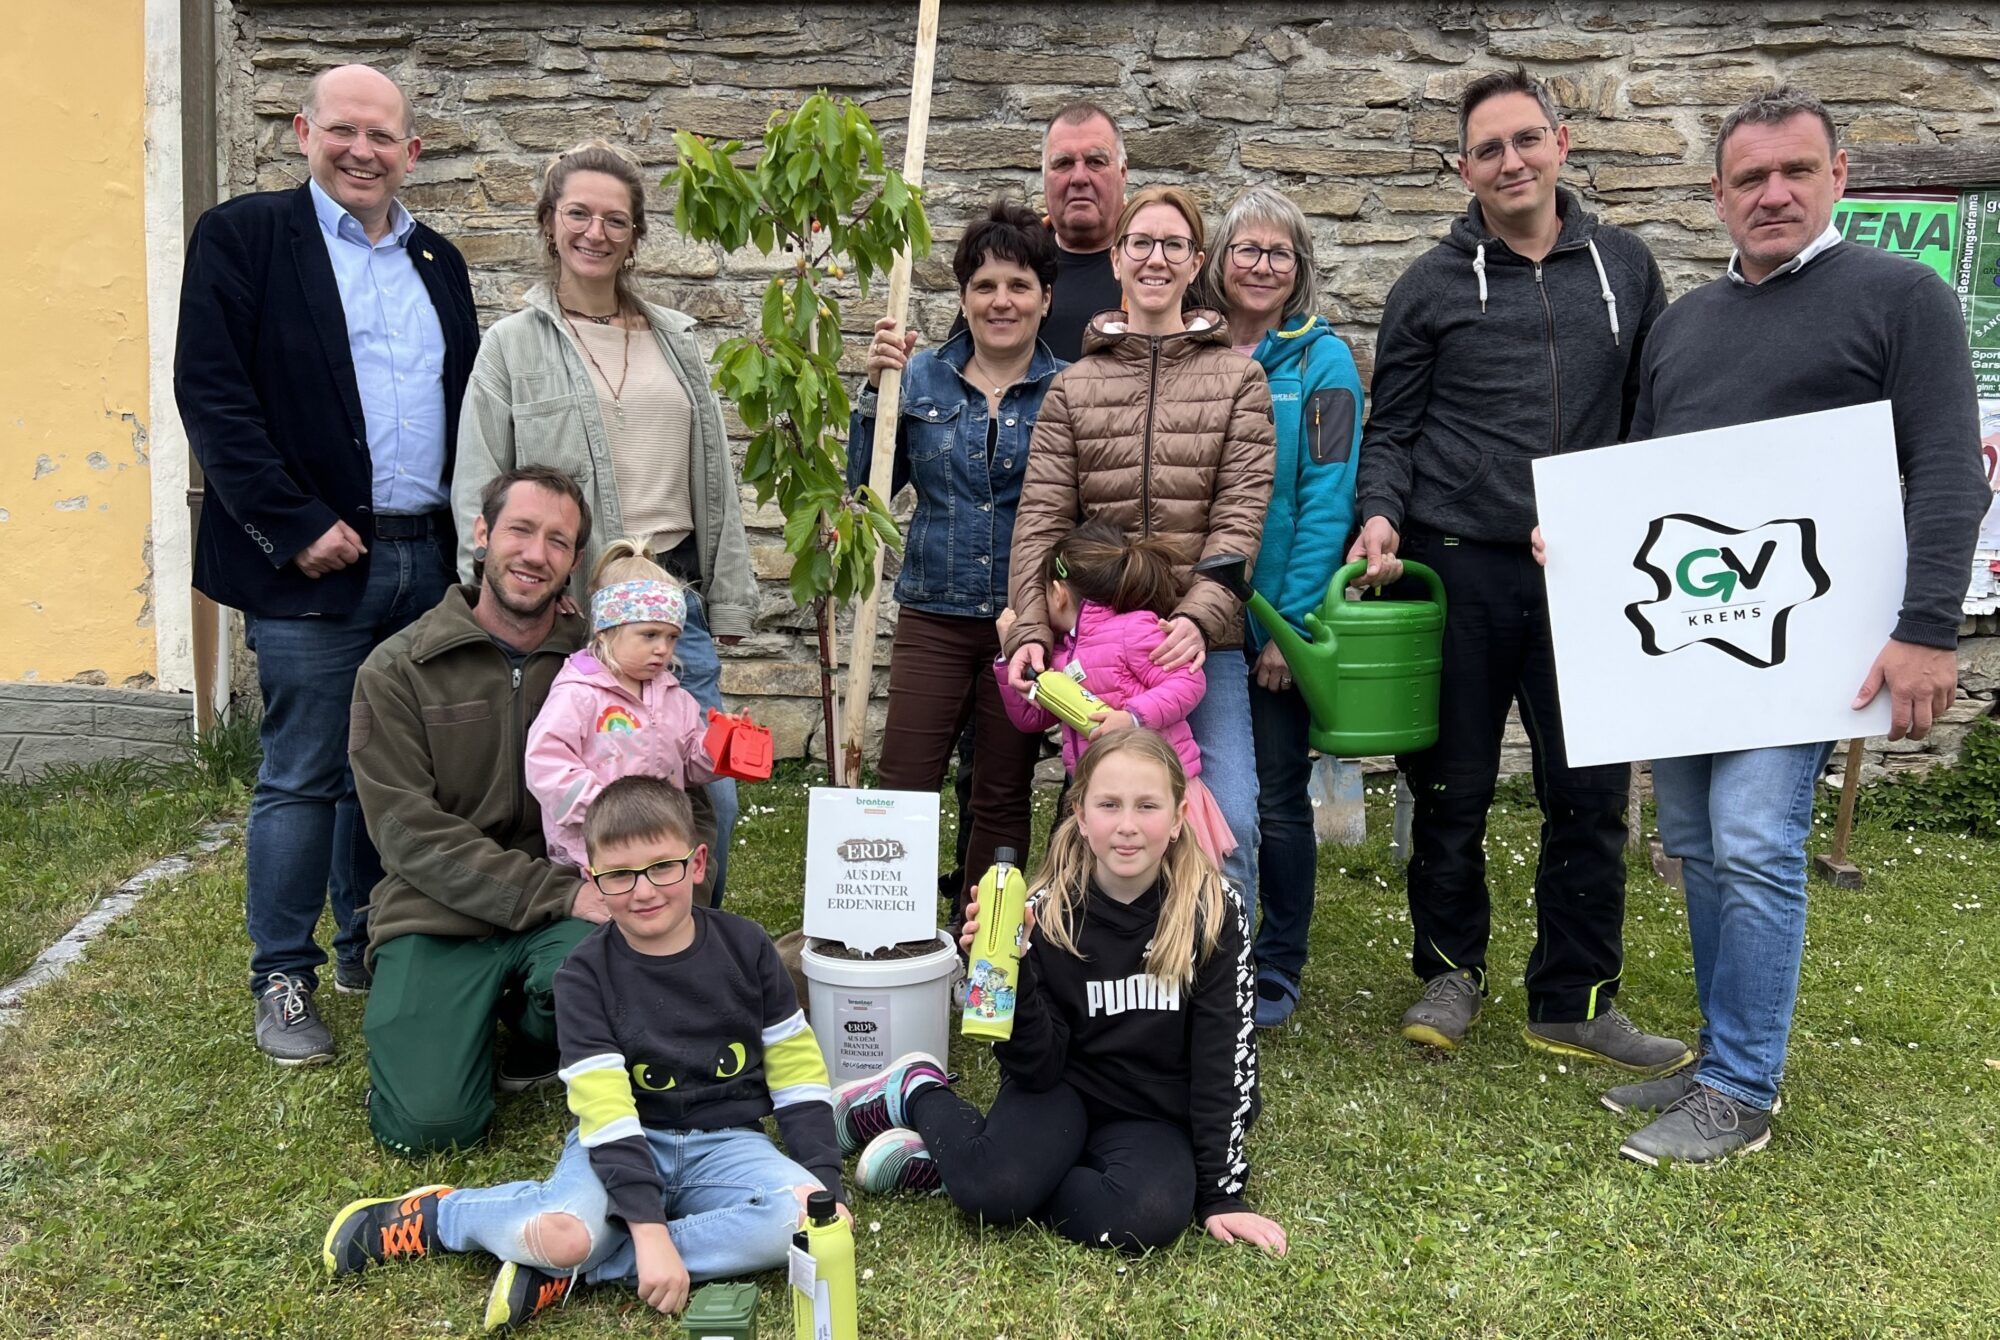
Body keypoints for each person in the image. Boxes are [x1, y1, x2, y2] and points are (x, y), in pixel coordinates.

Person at [1559, 86, 1987, 1165]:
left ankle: (1742, 1088)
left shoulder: (1901, 297)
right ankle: (1716, 1057)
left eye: (1795, 170)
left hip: (1809, 647)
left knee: (1752, 840)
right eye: (1748, 178)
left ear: (1837, 176)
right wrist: (1578, 542)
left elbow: (1945, 466)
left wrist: (1925, 627)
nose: (1773, 193)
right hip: (1692, 642)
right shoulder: (1685, 325)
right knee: (1696, 842)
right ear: (1715, 196)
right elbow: (1644, 481)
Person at [1349, 67, 1684, 1070]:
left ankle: (1572, 997)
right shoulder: (1425, 286)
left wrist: (1628, 519)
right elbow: (1391, 429)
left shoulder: (1625, 269)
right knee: (1446, 786)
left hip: (1585, 569)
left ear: (1560, 143)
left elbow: (1652, 410)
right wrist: (1377, 514)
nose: (1509, 161)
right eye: (1487, 148)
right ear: (1463, 168)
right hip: (1457, 568)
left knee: (1587, 791)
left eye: (1523, 139)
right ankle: (1449, 971)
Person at [174, 64, 480, 1065]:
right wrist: (295, 522)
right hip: (312, 566)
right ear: (304, 132)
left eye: (381, 136)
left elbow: (468, 405)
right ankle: (283, 975)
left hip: (423, 560)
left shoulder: (438, 259)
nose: (361, 151)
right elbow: (214, 398)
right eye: (341, 130)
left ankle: (368, 944)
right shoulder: (246, 240)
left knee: (392, 769)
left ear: (412, 151)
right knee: (304, 772)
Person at [323, 777, 846, 1331]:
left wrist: (824, 1183)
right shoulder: (583, 974)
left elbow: (798, 1077)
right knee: (566, 1234)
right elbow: (608, 1113)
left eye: (661, 867)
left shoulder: (749, 947)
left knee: (807, 1220)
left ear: (697, 863)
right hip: (618, 1141)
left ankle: (585, 1269)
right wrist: (647, 1228)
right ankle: (440, 1216)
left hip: (729, 1144)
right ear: (592, 877)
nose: (643, 891)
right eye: (619, 875)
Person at [829, 728, 1282, 1257]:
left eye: (1148, 805)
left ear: (1180, 816)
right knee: (992, 1193)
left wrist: (1221, 1194)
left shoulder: (1215, 910)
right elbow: (1035, 1066)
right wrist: (1009, 975)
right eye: (1109, 805)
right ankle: (918, 1090)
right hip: (1061, 1088)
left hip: (1153, 1114)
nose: (1128, 826)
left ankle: (957, 1163)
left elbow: (1223, 1060)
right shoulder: (1042, 911)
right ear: (1081, 816)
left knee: (1145, 1218)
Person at [453, 140, 753, 904]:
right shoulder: (511, 349)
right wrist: (494, 594)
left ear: (635, 234)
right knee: (577, 790)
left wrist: (727, 597)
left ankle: (696, 948)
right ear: (549, 223)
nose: (596, 231)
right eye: (578, 213)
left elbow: (712, 479)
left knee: (705, 793)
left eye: (615, 219)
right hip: (572, 604)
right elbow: (479, 484)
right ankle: (589, 942)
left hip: (666, 603)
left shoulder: (675, 342)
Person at [1004, 185, 1276, 914]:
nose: (1156, 258)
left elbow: (1240, 514)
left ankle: (1223, 996)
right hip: (1096, 643)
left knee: (1230, 822)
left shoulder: (1240, 380)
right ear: (1118, 261)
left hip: (1191, 644)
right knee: (1099, 823)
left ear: (1197, 264)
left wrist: (1198, 617)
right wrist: (1032, 625)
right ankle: (1105, 983)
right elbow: (1041, 518)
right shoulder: (1073, 388)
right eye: (1142, 244)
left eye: (1173, 245)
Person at [350, 467, 598, 1155]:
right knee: (431, 1128)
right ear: (482, 535)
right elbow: (406, 834)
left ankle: (534, 1026)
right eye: (520, 530)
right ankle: (443, 1029)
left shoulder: (598, 663)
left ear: (573, 562)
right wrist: (560, 894)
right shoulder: (397, 670)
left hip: (565, 916)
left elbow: (667, 778)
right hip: (439, 912)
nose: (535, 554)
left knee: (606, 976)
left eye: (558, 540)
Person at [848, 202, 1062, 919]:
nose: (1001, 301)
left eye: (1019, 285)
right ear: (963, 297)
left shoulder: (1071, 391)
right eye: (985, 285)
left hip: (1022, 626)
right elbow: (864, 488)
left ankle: (986, 960)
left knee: (1001, 794)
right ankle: (892, 943)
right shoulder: (918, 380)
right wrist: (872, 397)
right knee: (904, 784)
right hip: (933, 618)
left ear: (1045, 298)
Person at [1198, 185, 1364, 1028]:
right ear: (1219, 260)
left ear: (1299, 269)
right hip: (1198, 612)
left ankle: (1278, 962)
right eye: (1247, 250)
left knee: (1273, 798)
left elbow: (1329, 496)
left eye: (1280, 253)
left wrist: (1290, 625)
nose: (1262, 266)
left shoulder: (1322, 364)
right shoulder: (1192, 348)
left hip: (1274, 623)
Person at [994, 519, 1237, 866]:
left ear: (1058, 593)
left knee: (1176, 888)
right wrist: (1009, 655)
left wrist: (1133, 717)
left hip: (1160, 795)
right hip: (1103, 796)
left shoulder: (1136, 630)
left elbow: (1188, 682)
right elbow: (1031, 717)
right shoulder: (1061, 656)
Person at [525, 541, 717, 890]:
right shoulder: (579, 693)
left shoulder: (675, 697)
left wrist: (719, 748)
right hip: (593, 850)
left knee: (656, 925)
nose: (663, 648)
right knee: (611, 927)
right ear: (607, 630)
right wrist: (606, 810)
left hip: (657, 844)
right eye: (649, 635)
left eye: (672, 637)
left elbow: (689, 763)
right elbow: (545, 763)